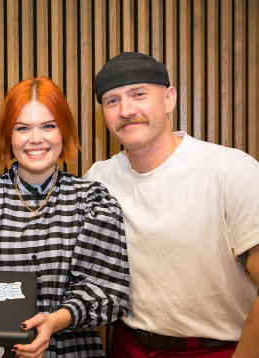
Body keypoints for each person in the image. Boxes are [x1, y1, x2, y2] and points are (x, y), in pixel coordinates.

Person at [85, 52, 259, 357]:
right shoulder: (99, 178)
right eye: (112, 101)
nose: (126, 110)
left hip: (215, 350)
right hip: (127, 345)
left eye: (138, 94)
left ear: (169, 99)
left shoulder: (230, 170)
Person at [0, 77, 130, 358]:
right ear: (9, 135)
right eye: (23, 128)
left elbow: (109, 293)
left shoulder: (92, 199)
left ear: (64, 131)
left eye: (48, 126)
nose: (36, 139)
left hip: (75, 351)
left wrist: (56, 320)